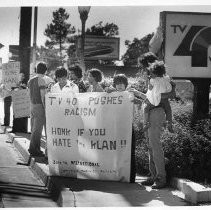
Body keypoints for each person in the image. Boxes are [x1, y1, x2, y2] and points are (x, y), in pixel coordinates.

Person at [130, 53, 176, 189]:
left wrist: (144, 98)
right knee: (151, 147)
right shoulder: (152, 79)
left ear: (150, 65)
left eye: (144, 67)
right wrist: (138, 95)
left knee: (155, 146)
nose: (143, 70)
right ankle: (153, 175)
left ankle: (161, 178)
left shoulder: (163, 79)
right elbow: (150, 98)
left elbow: (168, 96)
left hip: (156, 112)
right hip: (150, 111)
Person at [143, 61, 174, 133]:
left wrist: (147, 81)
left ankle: (145, 123)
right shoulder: (166, 79)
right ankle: (170, 123)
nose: (150, 74)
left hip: (154, 99)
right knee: (168, 110)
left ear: (155, 73)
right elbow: (169, 89)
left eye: (151, 73)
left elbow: (150, 90)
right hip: (164, 100)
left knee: (146, 108)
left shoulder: (152, 80)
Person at [27, 62, 47, 157]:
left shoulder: (30, 80)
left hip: (32, 105)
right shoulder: (41, 80)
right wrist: (45, 108)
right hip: (39, 106)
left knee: (33, 128)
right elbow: (43, 96)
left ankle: (34, 148)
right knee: (38, 130)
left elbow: (28, 94)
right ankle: (34, 150)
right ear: (45, 70)